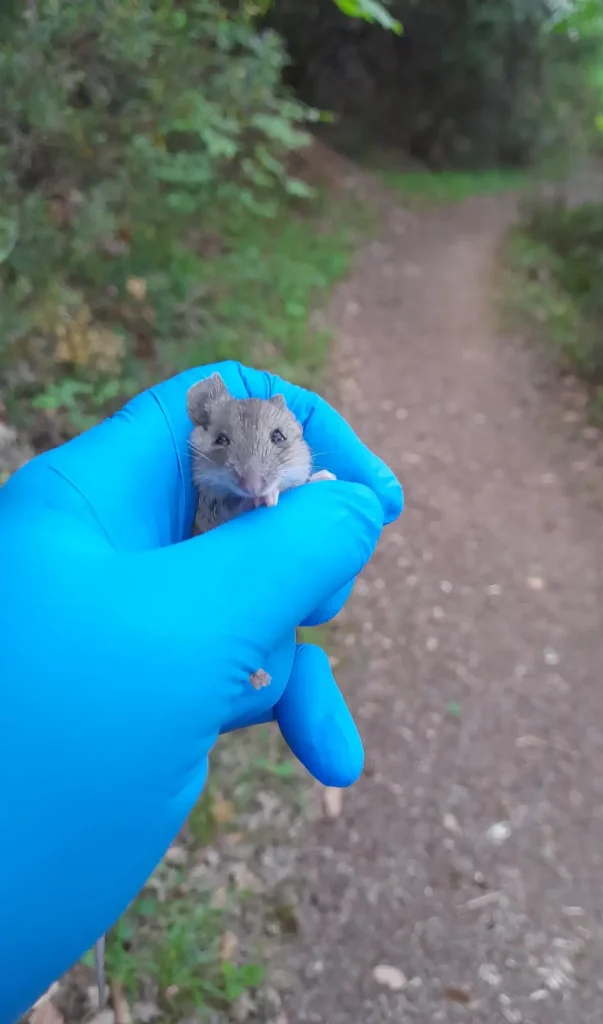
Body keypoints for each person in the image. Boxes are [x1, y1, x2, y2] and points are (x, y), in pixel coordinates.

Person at [0, 361, 403, 1024]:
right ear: (203, 438)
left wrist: (308, 486)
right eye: (223, 447)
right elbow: (222, 505)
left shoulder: (294, 453)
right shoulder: (206, 475)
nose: (251, 468)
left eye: (275, 445)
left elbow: (288, 476)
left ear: (291, 436)